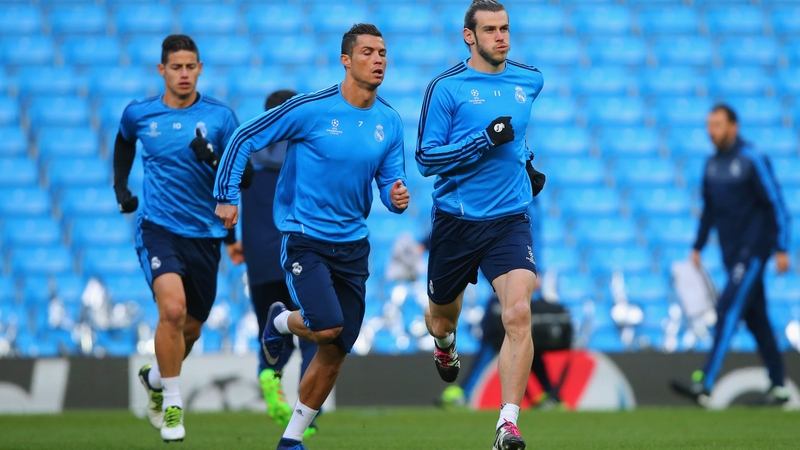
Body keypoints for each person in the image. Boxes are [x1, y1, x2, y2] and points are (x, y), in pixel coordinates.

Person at [213, 24, 409, 450]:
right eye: (368, 53)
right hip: (306, 236)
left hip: (354, 244)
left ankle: (291, 440)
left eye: (383, 53)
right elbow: (244, 136)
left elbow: (391, 185)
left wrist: (395, 197)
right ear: (346, 60)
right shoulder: (311, 109)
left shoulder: (389, 122)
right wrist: (226, 197)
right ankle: (280, 320)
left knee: (337, 349)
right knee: (327, 325)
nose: (378, 60)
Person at [415, 1, 544, 449]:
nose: (501, 36)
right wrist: (484, 139)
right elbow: (427, 159)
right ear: (469, 36)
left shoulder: (531, 80)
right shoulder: (446, 88)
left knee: (519, 312)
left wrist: (525, 163)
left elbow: (519, 135)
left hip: (509, 219)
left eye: (505, 28)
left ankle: (507, 423)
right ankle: (445, 342)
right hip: (457, 221)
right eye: (490, 29)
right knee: (440, 319)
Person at [112, 34, 253, 442]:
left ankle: (155, 379)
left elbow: (245, 178)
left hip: (206, 235)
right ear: (162, 70)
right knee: (171, 311)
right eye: (176, 66)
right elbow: (123, 144)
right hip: (158, 228)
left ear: (200, 69)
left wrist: (211, 156)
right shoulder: (140, 114)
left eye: (191, 66)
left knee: (190, 328)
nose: (184, 73)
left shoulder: (221, 118)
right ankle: (173, 404)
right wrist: (121, 189)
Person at [671, 104, 791, 407]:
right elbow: (709, 210)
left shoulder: (752, 159)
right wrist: (697, 246)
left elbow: (776, 202)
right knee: (757, 319)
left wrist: (782, 247)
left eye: (718, 124)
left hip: (752, 251)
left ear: (733, 127)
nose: (712, 131)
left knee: (727, 309)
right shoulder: (711, 165)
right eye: (709, 125)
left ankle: (706, 383)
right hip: (730, 253)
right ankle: (779, 385)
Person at [238, 89, 318, 435]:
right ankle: (306, 410)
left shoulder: (246, 153)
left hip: (257, 257)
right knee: (313, 329)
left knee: (271, 331)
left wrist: (231, 242)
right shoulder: (304, 153)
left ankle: (268, 373)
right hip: (296, 253)